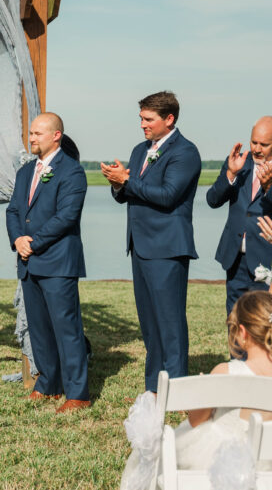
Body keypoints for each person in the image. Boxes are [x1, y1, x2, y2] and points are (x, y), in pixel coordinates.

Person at [101, 91, 202, 393]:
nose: (142, 124)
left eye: (148, 119)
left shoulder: (185, 152)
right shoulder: (139, 150)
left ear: (169, 119)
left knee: (170, 322)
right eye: (141, 118)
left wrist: (128, 182)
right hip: (141, 246)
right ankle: (153, 386)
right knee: (149, 322)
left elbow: (169, 195)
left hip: (168, 248)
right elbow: (129, 193)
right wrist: (117, 185)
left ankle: (177, 387)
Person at [120, 290, 272, 489]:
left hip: (218, 464)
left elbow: (196, 420)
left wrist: (201, 397)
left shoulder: (225, 372)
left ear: (243, 333)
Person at [5, 113, 90, 413]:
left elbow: (66, 217)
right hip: (28, 262)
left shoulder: (73, 172)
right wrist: (17, 240)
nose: (32, 138)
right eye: (30, 133)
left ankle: (78, 393)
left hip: (57, 262)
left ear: (56, 136)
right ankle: (49, 384)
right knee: (40, 330)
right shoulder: (25, 172)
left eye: (38, 133)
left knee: (67, 329)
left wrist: (33, 243)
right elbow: (13, 211)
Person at [206, 116, 272, 315]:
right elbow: (212, 200)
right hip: (235, 259)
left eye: (264, 144)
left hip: (266, 259)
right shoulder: (238, 162)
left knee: (263, 323)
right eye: (254, 142)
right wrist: (230, 175)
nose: (257, 149)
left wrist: (269, 188)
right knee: (235, 321)